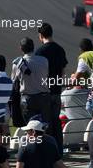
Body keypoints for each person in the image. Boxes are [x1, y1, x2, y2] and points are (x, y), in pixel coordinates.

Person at [35, 22, 68, 156]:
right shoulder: (60, 49)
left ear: (41, 35)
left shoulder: (40, 52)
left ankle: (48, 153)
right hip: (57, 91)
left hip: (45, 92)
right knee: (56, 122)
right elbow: (63, 71)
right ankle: (58, 151)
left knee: (46, 124)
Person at [11, 37, 50, 124]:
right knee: (45, 126)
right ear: (33, 47)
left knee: (30, 126)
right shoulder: (44, 60)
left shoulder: (17, 64)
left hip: (28, 99)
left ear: (21, 48)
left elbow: (13, 81)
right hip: (43, 97)